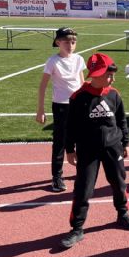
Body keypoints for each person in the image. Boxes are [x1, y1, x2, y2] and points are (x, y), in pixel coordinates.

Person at [60, 53, 129, 249]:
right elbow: (70, 127)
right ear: (94, 75)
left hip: (113, 147)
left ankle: (123, 213)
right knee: (83, 188)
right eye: (107, 75)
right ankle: (77, 228)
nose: (110, 79)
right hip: (88, 150)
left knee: (119, 182)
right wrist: (70, 150)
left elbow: (122, 121)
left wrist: (126, 142)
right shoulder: (78, 98)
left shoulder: (114, 94)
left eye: (112, 75)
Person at [36, 27, 86, 192]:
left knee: (82, 139)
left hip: (79, 104)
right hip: (61, 106)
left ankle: (83, 170)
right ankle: (56, 177)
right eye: (66, 41)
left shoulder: (79, 59)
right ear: (58, 42)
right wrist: (40, 110)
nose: (70, 45)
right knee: (60, 142)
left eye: (73, 41)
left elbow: (81, 82)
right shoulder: (53, 61)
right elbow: (42, 86)